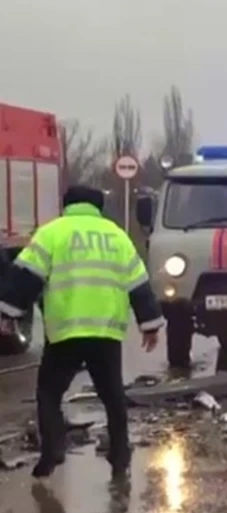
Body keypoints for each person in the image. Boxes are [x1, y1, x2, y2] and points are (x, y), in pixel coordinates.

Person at [0, 185, 164, 481]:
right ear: (98, 207)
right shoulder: (117, 237)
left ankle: (52, 451)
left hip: (65, 332)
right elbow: (139, 284)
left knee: (49, 393)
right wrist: (149, 325)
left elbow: (25, 278)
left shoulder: (52, 233)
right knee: (113, 396)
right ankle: (119, 456)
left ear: (67, 205)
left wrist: (8, 314)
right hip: (105, 332)